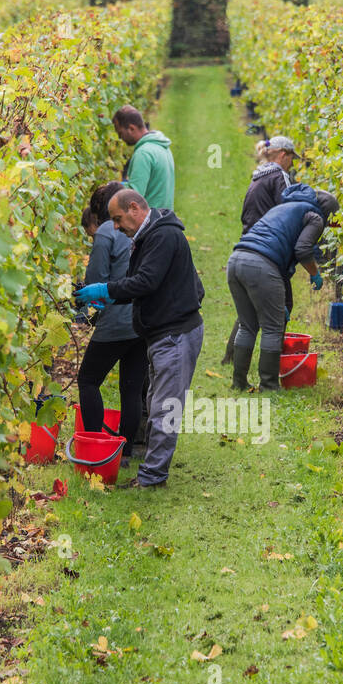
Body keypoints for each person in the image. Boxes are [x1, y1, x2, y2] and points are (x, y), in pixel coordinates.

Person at [75, 190, 204, 489]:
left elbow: (146, 282)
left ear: (134, 208)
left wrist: (105, 290)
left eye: (118, 219)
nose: (116, 227)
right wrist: (113, 299)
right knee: (153, 400)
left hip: (174, 335)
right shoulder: (148, 237)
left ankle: (152, 478)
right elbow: (153, 287)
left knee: (164, 409)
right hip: (162, 334)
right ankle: (151, 471)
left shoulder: (162, 237)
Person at [225, 183, 339, 391]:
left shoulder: (282, 207)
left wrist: (276, 297)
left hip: (236, 260)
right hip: (261, 264)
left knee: (247, 325)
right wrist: (315, 273)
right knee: (272, 327)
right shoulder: (315, 216)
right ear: (327, 211)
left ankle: (239, 382)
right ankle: (269, 385)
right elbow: (303, 250)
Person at [75, 182, 147, 467]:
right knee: (131, 387)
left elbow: (96, 280)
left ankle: (95, 449)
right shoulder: (140, 228)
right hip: (140, 319)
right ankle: (126, 454)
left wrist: (83, 309)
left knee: (88, 380)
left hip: (116, 321)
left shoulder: (106, 233)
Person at [223, 135, 301, 364]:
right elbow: (290, 211)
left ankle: (232, 357)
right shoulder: (280, 177)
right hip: (268, 249)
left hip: (248, 244)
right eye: (291, 159)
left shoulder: (259, 176)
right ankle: (274, 366)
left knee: (248, 311)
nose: (293, 164)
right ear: (283, 155)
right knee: (281, 306)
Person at [113, 106, 175, 212]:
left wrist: (113, 187)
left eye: (120, 133)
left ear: (131, 128)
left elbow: (134, 195)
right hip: (165, 217)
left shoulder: (143, 153)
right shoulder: (162, 146)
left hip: (150, 221)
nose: (120, 138)